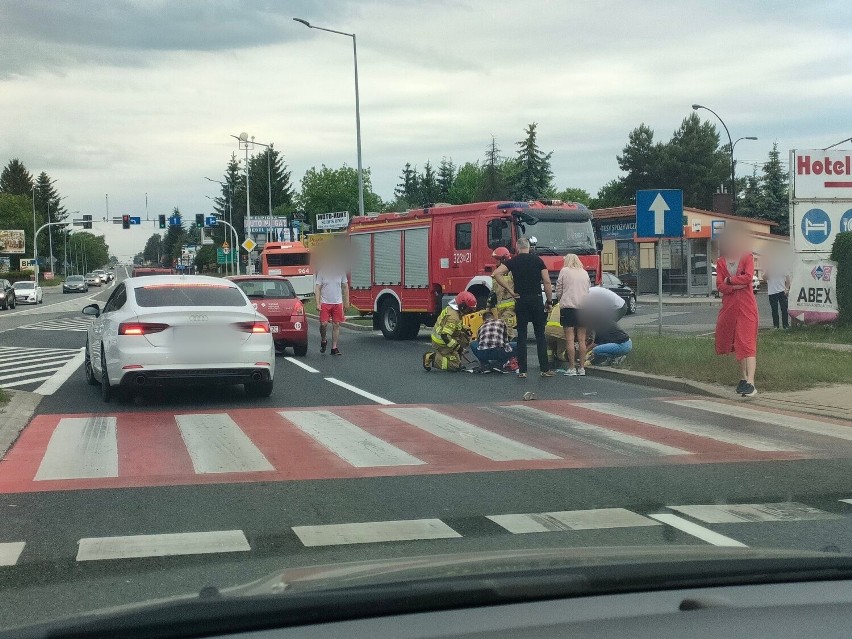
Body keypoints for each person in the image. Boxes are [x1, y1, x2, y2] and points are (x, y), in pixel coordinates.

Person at [493, 238, 554, 379]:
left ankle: (522, 370)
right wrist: (549, 301)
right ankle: (544, 369)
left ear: (517, 247)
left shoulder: (513, 261)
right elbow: (547, 281)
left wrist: (510, 289)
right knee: (540, 334)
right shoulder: (538, 261)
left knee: (522, 335)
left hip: (521, 300)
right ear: (529, 247)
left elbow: (497, 274)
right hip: (536, 299)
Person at [715, 225, 759, 397]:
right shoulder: (720, 262)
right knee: (737, 343)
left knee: (747, 343)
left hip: (746, 306)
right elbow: (720, 286)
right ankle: (743, 378)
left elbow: (748, 278)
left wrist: (729, 281)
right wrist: (735, 285)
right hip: (730, 308)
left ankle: (751, 383)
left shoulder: (747, 256)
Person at [423, 291, 477, 372]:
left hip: (446, 336)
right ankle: (431, 356)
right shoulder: (453, 317)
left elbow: (457, 324)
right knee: (455, 366)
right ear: (462, 306)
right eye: (469, 309)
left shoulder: (452, 309)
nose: (469, 312)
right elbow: (445, 336)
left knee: (465, 339)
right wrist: (459, 349)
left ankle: (454, 355)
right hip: (441, 342)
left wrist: (465, 329)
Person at [555, 253, 590, 376]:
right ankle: (581, 368)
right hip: (584, 308)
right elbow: (587, 289)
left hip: (568, 308)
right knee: (581, 340)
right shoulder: (584, 272)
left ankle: (571, 368)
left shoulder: (564, 271)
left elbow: (559, 288)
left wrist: (560, 299)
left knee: (569, 339)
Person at [314, 262, 349, 356]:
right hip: (325, 302)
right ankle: (324, 339)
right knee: (323, 324)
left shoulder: (341, 271)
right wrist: (318, 303)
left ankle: (334, 347)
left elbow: (345, 286)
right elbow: (318, 288)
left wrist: (346, 302)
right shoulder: (322, 271)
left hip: (337, 302)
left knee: (336, 324)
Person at [764, 256, 791, 330]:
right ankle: (776, 326)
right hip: (771, 292)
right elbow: (764, 278)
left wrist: (786, 289)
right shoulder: (767, 268)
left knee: (784, 309)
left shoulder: (782, 267)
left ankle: (785, 325)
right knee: (774, 310)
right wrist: (767, 271)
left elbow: (788, 279)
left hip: (782, 291)